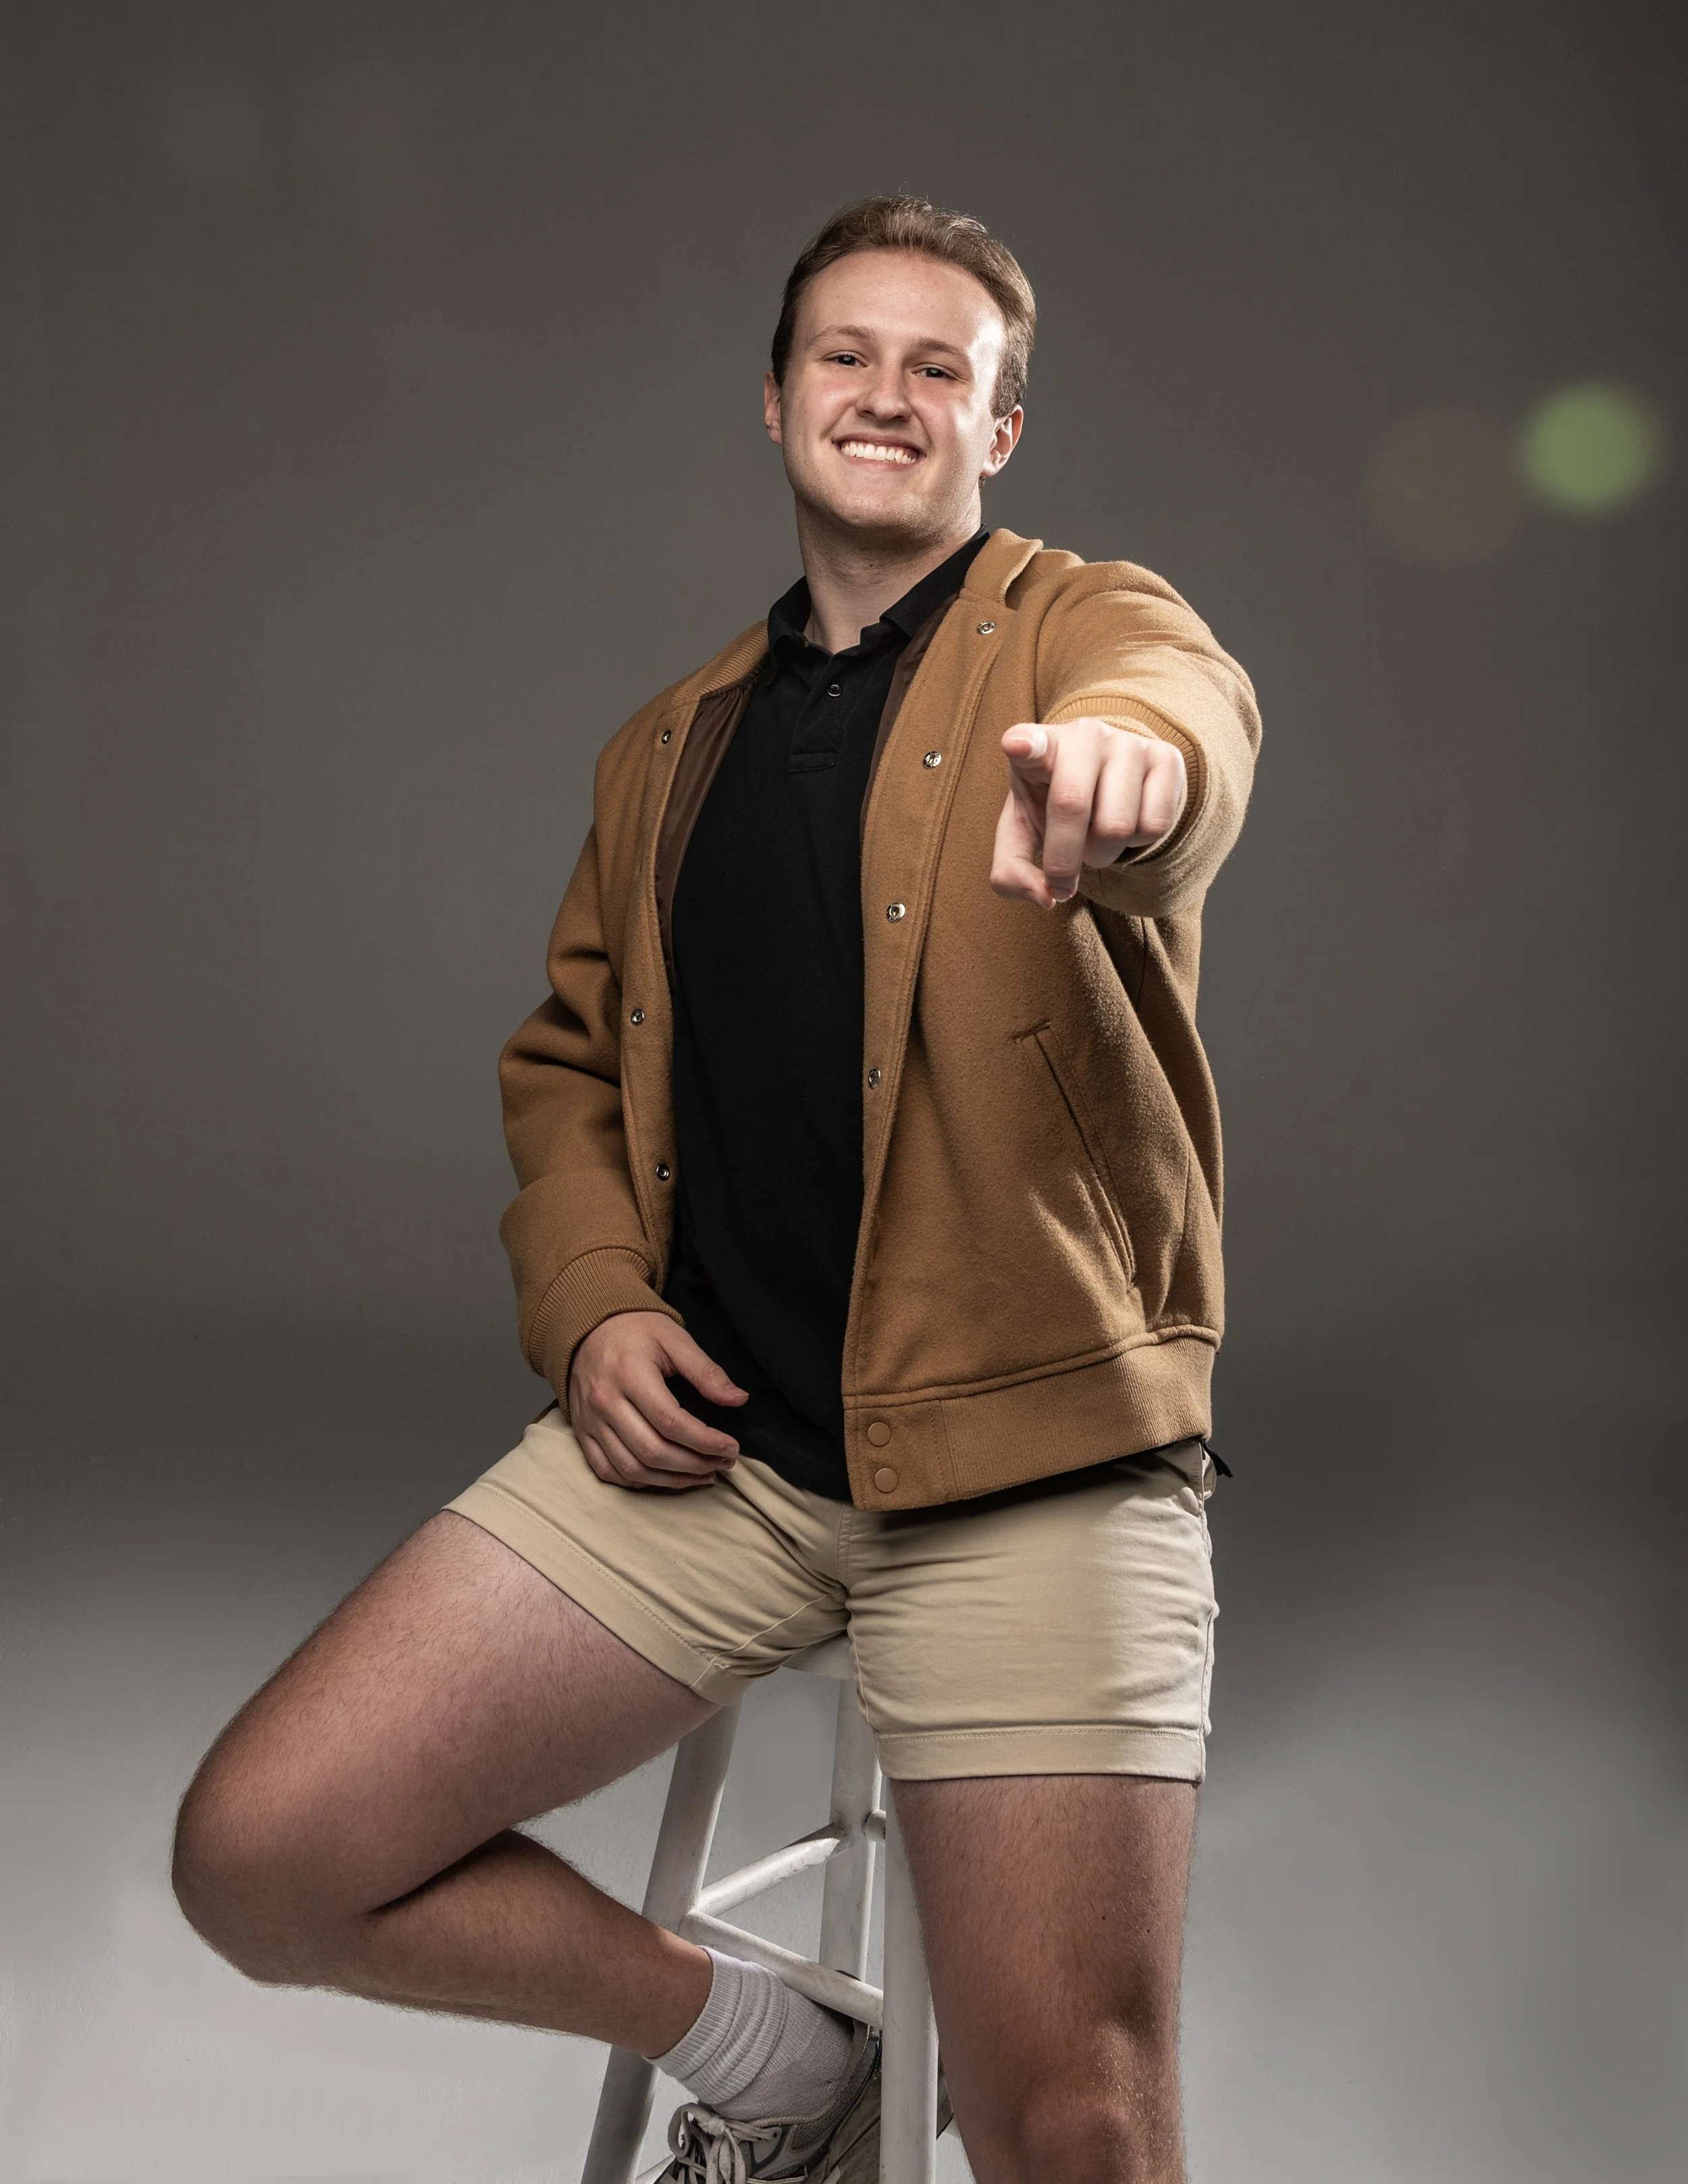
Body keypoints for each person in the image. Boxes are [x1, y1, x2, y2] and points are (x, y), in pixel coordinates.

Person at [171, 194, 1261, 2184]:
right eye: (847, 354)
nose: (887, 393)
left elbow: (1182, 709)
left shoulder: (1079, 624)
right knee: (265, 1856)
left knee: (1077, 2128)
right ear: (773, 401)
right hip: (723, 1464)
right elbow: (571, 1064)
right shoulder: (664, 751)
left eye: (943, 367)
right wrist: (590, 1302)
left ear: (996, 431)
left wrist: (1129, 768)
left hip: (1032, 1469)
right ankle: (785, 2060)